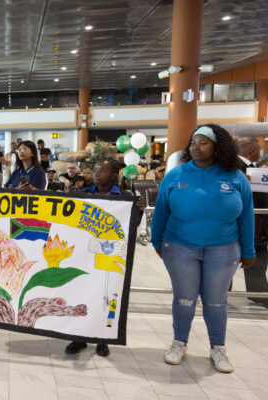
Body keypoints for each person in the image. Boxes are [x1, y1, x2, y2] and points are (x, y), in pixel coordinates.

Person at [151, 124, 255, 373]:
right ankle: (179, 343)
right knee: (184, 300)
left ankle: (218, 348)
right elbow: (161, 211)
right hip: (180, 247)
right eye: (193, 142)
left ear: (218, 147)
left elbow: (247, 215)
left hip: (223, 249)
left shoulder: (235, 177)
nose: (196, 147)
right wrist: (156, 241)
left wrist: (249, 250)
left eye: (203, 142)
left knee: (216, 302)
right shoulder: (176, 175)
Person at [66, 158, 146, 357]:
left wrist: (140, 209)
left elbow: (131, 225)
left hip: (110, 255)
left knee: (107, 296)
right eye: (95, 169)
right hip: (85, 254)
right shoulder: (85, 193)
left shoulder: (124, 197)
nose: (96, 173)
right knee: (84, 292)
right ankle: (80, 336)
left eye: (102, 170)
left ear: (113, 175)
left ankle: (103, 337)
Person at [237, 137, 268, 307]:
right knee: (258, 258)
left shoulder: (251, 168)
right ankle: (259, 294)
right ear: (252, 150)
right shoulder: (239, 169)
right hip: (252, 223)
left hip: (255, 222)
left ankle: (257, 293)